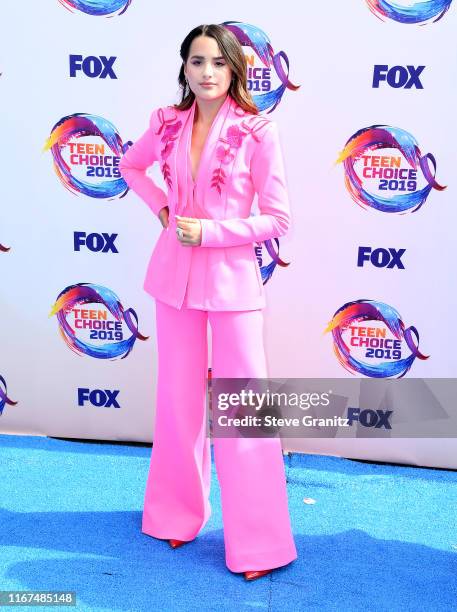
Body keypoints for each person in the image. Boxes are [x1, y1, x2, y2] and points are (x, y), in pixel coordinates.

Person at [119, 23, 297, 581]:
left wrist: (212, 232)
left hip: (234, 285)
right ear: (185, 69)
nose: (207, 73)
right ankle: (175, 514)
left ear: (234, 70)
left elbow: (279, 218)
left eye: (218, 63)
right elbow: (131, 166)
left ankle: (261, 545)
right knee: (177, 403)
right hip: (172, 282)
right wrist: (165, 213)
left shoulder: (257, 131)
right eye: (197, 62)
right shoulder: (165, 124)